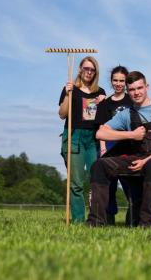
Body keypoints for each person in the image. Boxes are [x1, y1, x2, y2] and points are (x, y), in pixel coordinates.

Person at [86, 71, 151, 227]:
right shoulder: (126, 114)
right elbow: (100, 132)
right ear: (128, 91)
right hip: (136, 157)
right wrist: (131, 135)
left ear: (146, 87)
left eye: (139, 88)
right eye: (132, 90)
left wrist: (147, 161)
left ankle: (146, 223)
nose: (136, 93)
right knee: (99, 165)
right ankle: (96, 221)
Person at [58, 56, 106, 223]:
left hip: (93, 138)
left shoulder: (100, 92)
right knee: (76, 182)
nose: (88, 72)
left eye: (92, 70)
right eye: (86, 68)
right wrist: (68, 95)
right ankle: (78, 220)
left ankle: (95, 219)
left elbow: (103, 119)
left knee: (96, 181)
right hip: (74, 136)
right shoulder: (71, 89)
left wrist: (104, 103)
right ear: (80, 69)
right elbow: (62, 114)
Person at [95, 65, 134, 225]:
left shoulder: (132, 100)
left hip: (127, 146)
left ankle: (133, 214)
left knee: (129, 182)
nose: (118, 83)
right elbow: (102, 127)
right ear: (111, 82)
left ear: (126, 82)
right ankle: (109, 216)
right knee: (109, 185)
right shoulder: (105, 103)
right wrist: (103, 148)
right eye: (115, 80)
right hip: (109, 147)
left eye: (121, 81)